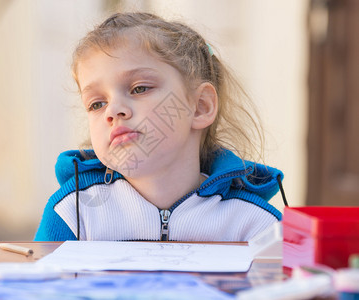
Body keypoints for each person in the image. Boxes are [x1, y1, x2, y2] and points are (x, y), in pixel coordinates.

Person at [34, 12, 284, 242]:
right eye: (97, 103)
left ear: (200, 106)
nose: (112, 111)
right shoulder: (73, 213)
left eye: (139, 88)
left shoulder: (256, 224)